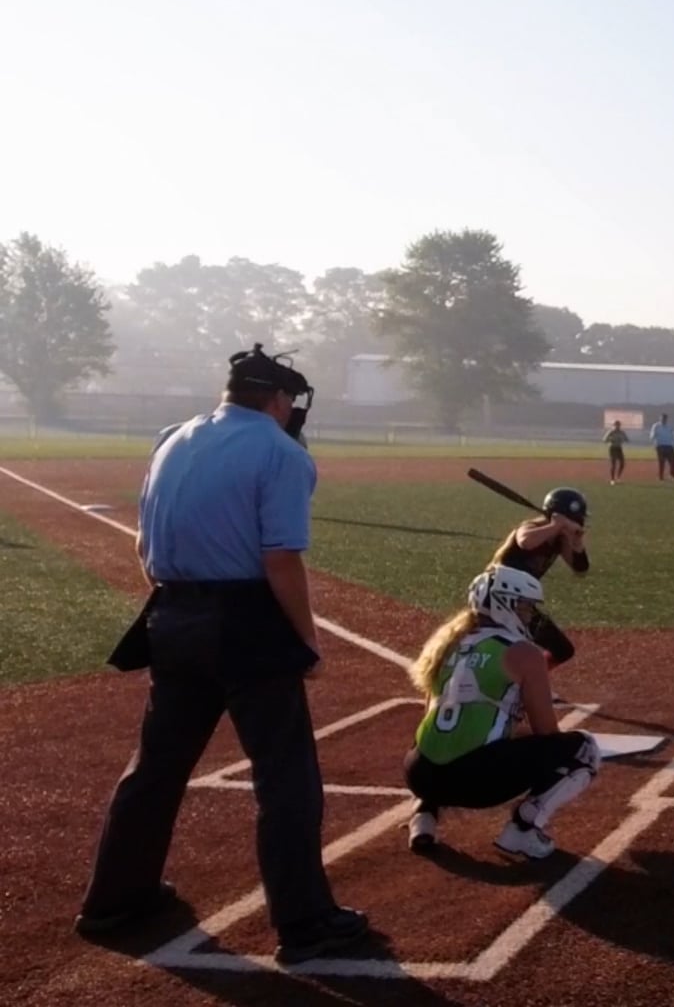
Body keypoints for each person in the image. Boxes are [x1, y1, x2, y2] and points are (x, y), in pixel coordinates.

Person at [76, 344, 369, 964]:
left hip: (170, 615)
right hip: (246, 622)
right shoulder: (280, 452)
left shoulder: (171, 437)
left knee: (155, 770)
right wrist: (307, 640)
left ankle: (115, 900)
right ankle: (305, 921)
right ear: (279, 399)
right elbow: (280, 557)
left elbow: (145, 544)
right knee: (285, 776)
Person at [402, 566, 602, 857]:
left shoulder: (445, 644)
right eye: (525, 607)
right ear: (503, 604)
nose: (530, 615)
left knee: (438, 733)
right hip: (475, 782)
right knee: (583, 750)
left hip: (419, 774)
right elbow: (546, 732)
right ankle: (522, 830)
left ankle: (424, 814)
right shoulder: (524, 653)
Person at [488, 487, 590, 669]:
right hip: (496, 596)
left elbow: (580, 571)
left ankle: (528, 679)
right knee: (504, 646)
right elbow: (526, 542)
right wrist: (555, 526)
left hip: (521, 603)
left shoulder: (560, 540)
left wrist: (577, 543)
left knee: (562, 650)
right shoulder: (531, 526)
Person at [650, 413, 674, 482]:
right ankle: (660, 477)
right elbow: (652, 436)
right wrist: (654, 439)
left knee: (673, 461)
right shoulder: (656, 426)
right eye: (662, 418)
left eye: (665, 418)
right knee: (661, 462)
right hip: (660, 446)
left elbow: (672, 435)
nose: (663, 419)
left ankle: (672, 476)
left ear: (666, 419)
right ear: (660, 418)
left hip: (669, 445)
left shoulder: (670, 426)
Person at [603, 420, 629, 485]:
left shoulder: (622, 432)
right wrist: (611, 439)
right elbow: (604, 439)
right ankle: (612, 479)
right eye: (616, 425)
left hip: (619, 448)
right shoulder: (611, 432)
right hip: (612, 448)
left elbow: (627, 439)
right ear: (614, 425)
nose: (617, 426)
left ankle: (618, 477)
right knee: (613, 464)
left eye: (618, 425)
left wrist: (623, 439)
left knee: (622, 463)